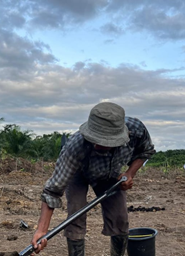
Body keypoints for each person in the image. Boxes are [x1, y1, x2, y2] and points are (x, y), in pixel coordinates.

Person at [31, 102, 156, 256]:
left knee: (120, 219)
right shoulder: (76, 147)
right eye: (94, 139)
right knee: (75, 216)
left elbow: (146, 151)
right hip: (78, 174)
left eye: (104, 142)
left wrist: (130, 173)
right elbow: (52, 190)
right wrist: (41, 230)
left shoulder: (136, 130)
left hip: (111, 175)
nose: (97, 144)